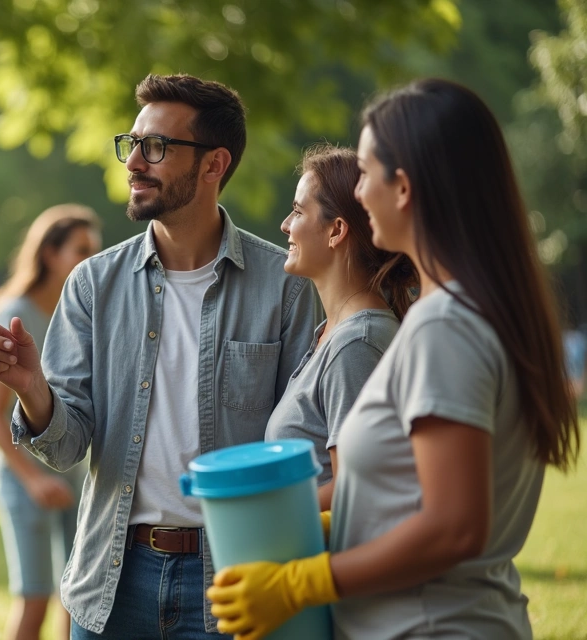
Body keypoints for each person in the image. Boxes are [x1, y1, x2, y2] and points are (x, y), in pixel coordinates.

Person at [207, 79, 581, 640]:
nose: (359, 194)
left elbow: (454, 528)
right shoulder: (463, 312)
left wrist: (302, 583)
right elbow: (414, 495)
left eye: (368, 173)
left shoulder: (445, 327)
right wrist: (319, 524)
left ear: (402, 188)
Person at [0, 73, 321, 638]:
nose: (133, 163)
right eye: (131, 144)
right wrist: (33, 390)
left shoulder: (287, 288)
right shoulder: (92, 284)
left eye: (155, 147)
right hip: (112, 580)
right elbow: (66, 447)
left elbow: (305, 450)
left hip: (234, 575)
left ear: (213, 164)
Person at [0, 204, 101, 640]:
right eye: (80, 249)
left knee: (76, 599)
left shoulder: (79, 313)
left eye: (93, 250)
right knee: (36, 599)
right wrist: (33, 480)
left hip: (74, 477)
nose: (90, 260)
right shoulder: (16, 311)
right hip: (25, 481)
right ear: (49, 253)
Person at [265, 144, 417, 510]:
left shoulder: (356, 345)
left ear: (336, 230)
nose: (286, 224)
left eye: (298, 211)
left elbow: (354, 492)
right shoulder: (333, 334)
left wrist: (261, 515)